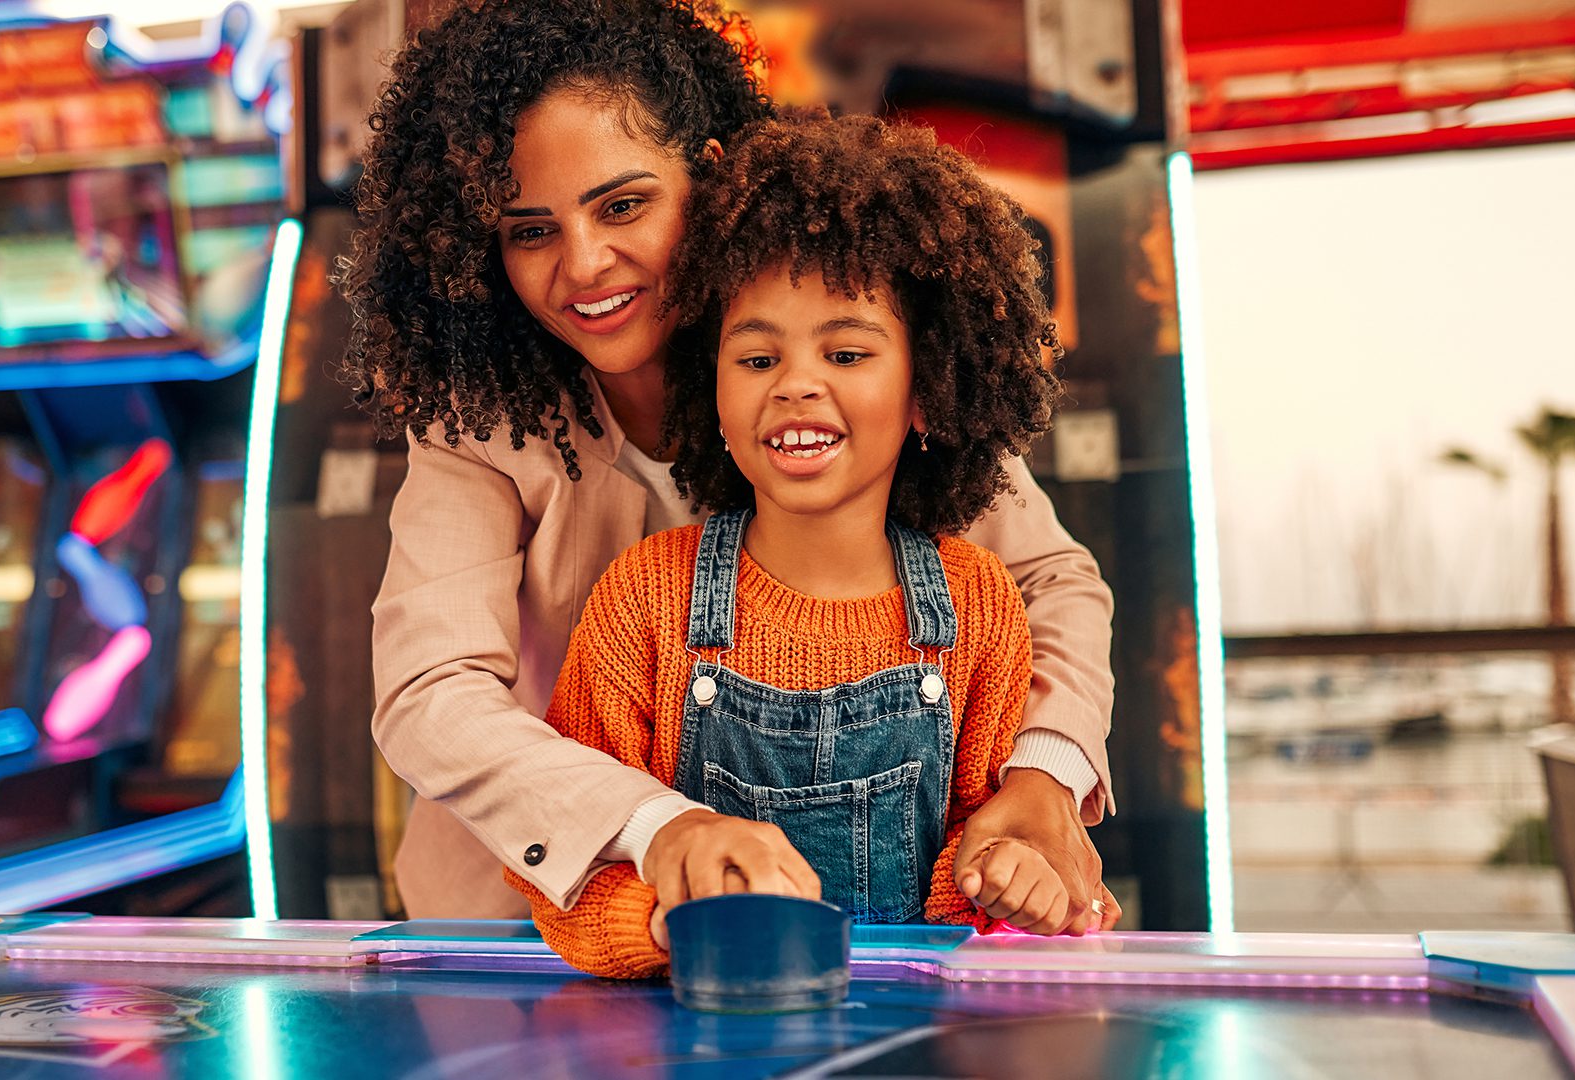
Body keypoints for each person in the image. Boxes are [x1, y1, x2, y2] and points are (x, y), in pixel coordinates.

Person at [341, 0, 1119, 936]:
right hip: (530, 927)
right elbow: (431, 694)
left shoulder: (827, 361)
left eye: (622, 205)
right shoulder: (478, 423)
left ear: (707, 178)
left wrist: (1043, 772)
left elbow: (1053, 580)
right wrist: (661, 829)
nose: (584, 264)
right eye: (530, 230)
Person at [506, 113, 1084, 976]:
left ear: (929, 392)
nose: (797, 385)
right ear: (712, 398)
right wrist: (667, 921)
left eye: (847, 353)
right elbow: (570, 873)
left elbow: (981, 837)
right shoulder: (643, 600)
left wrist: (1007, 880)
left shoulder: (982, 607)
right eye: (756, 359)